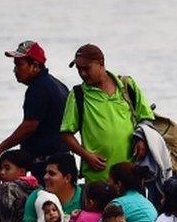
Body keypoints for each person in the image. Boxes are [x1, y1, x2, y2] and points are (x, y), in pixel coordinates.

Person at [60, 44, 155, 183]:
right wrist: (87, 156)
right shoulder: (78, 95)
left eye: (86, 68)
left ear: (101, 63)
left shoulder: (127, 85)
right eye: (79, 69)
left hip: (131, 174)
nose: (82, 74)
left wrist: (142, 139)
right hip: (97, 177)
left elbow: (146, 117)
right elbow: (66, 134)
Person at [0, 41, 69, 181]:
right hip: (61, 161)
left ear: (35, 66)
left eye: (19, 65)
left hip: (46, 165)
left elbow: (29, 126)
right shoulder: (57, 84)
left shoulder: (38, 88)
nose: (15, 70)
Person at [76, 162, 159, 222]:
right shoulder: (146, 202)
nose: (107, 186)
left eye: (109, 182)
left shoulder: (118, 204)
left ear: (118, 184)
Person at [0, 149, 39, 222]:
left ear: (22, 172)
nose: (2, 172)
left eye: (7, 168)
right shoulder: (37, 188)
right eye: (1, 168)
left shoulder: (8, 187)